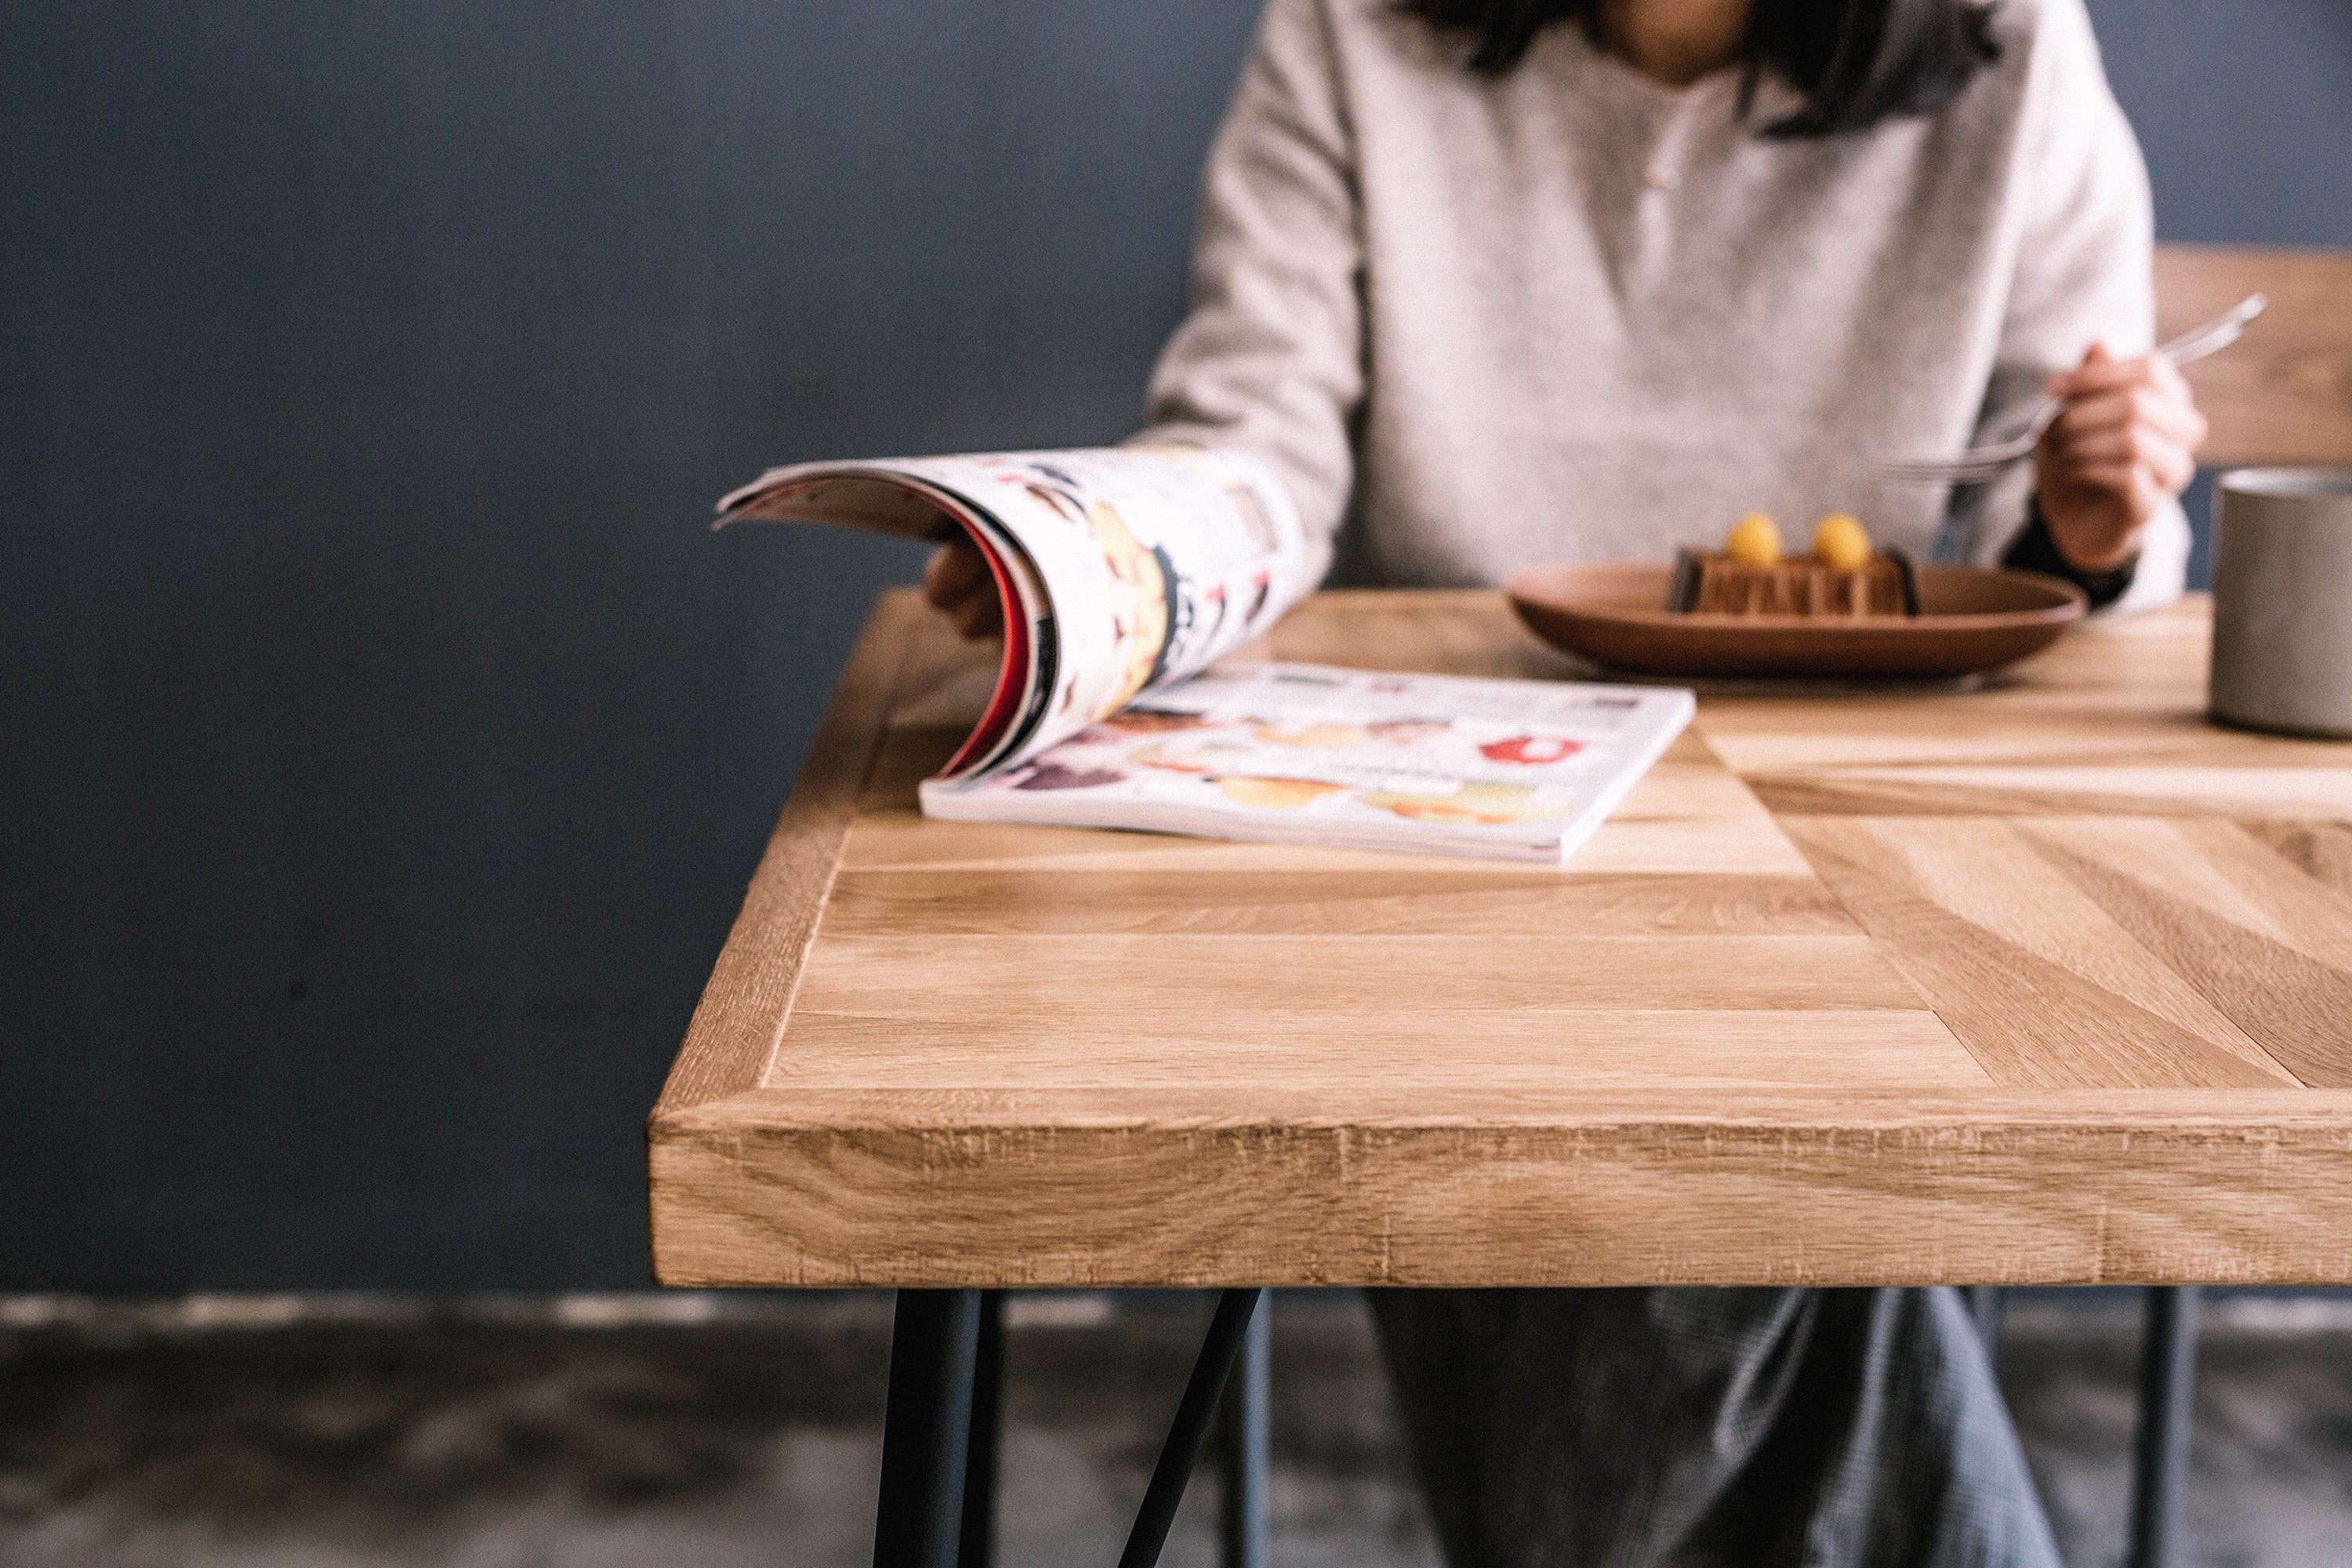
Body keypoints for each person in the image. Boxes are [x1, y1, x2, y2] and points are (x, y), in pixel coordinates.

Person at [925, 0, 2208, 1562]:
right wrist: (1104, 558)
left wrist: (2093, 515)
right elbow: (1251, 433)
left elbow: (2072, 546)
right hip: (1453, 831)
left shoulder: (2006, 46)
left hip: (1859, 853)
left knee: (1701, 1155)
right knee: (1701, 1155)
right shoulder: (1353, 34)